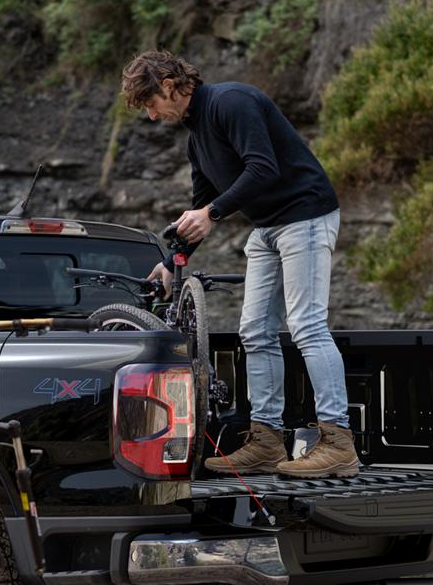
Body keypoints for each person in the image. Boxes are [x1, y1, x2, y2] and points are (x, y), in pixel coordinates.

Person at [121, 50, 358, 479]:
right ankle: (267, 441)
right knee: (254, 331)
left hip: (304, 215)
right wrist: (173, 263)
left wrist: (212, 214)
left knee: (306, 324)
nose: (152, 116)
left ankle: (338, 442)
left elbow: (263, 168)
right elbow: (199, 203)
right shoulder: (197, 138)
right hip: (267, 227)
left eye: (151, 104)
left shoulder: (232, 102)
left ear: (170, 85)